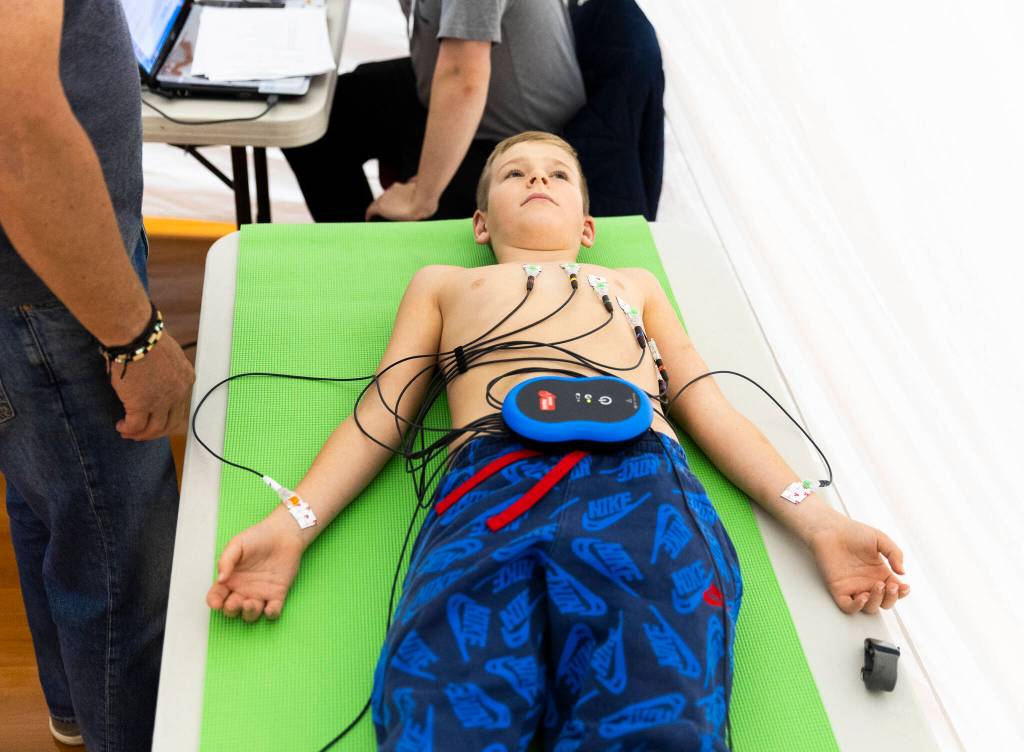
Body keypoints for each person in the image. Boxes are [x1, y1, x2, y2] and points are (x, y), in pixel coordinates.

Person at [207, 132, 910, 750]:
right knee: (442, 704)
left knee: (658, 709)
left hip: (642, 489)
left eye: (557, 173)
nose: (537, 179)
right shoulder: (446, 284)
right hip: (490, 487)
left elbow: (711, 410)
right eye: (514, 173)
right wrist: (291, 524)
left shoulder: (634, 284)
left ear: (589, 226)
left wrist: (820, 522)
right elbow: (383, 411)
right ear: (480, 222)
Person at [0, 1, 194, 748]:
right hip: (51, 292)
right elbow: (18, 141)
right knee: (121, 560)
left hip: (49, 278)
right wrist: (134, 337)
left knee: (49, 497)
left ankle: (76, 709)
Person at [282, 0, 585, 223]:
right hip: (446, 86)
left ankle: (367, 260)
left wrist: (419, 199)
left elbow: (462, 77)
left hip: (512, 136)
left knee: (397, 224)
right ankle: (352, 244)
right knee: (318, 117)